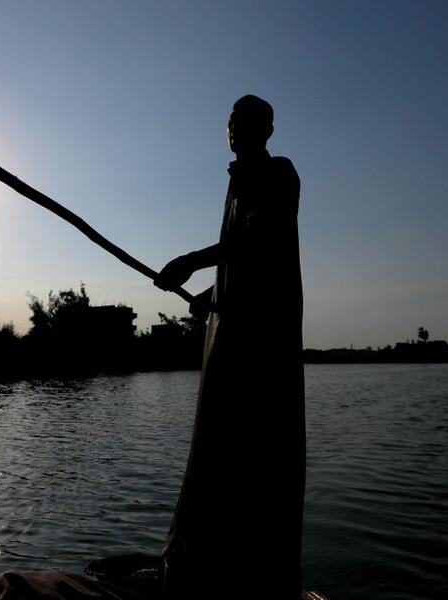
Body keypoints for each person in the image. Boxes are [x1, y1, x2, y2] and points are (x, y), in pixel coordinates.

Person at [154, 94, 306, 598]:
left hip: (261, 338)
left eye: (246, 121)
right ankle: (204, 562)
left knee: (257, 443)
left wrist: (191, 262)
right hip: (230, 328)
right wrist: (209, 293)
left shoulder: (280, 174)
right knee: (216, 443)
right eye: (231, 121)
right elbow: (241, 260)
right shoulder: (237, 182)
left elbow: (262, 243)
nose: (235, 128)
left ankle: (254, 570)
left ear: (268, 128)